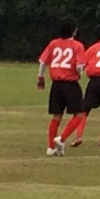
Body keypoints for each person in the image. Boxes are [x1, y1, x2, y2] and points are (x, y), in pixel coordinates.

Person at [36, 17, 86, 156]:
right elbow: (79, 66)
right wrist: (79, 73)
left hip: (56, 84)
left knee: (56, 115)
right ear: (73, 31)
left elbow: (43, 62)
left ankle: (50, 147)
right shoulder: (77, 45)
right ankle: (61, 138)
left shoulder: (53, 43)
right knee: (79, 114)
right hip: (70, 83)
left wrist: (40, 77)